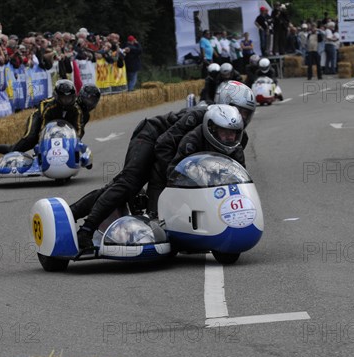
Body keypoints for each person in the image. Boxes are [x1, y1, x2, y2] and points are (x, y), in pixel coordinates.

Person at [71, 82, 256, 249]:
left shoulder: (237, 136)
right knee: (129, 183)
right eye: (240, 111)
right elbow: (164, 145)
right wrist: (173, 182)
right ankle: (86, 230)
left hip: (171, 150)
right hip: (152, 136)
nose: (243, 117)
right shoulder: (198, 117)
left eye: (247, 113)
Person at [0, 80, 85, 154]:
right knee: (28, 140)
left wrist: (76, 143)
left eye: (69, 98)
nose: (66, 101)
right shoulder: (50, 106)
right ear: (57, 96)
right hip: (38, 117)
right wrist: (42, 144)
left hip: (57, 123)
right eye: (63, 98)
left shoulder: (76, 110)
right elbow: (44, 126)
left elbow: (78, 129)